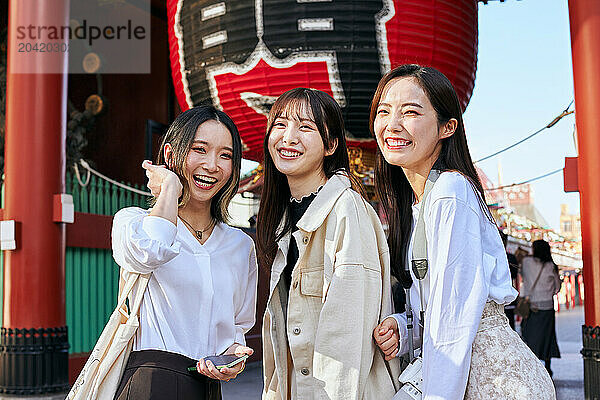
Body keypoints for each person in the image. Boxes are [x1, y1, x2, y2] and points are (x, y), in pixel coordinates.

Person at [370, 64, 555, 399]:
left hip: (488, 379)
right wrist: (405, 327)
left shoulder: (450, 191)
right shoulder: (419, 203)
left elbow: (454, 316)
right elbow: (437, 306)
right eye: (384, 111)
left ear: (447, 127)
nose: (392, 124)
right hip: (461, 371)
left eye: (410, 111)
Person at [257, 88, 400, 399]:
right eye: (280, 125)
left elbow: (346, 337)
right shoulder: (283, 218)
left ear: (331, 145)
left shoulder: (347, 208)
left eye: (305, 127)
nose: (288, 137)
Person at [111, 106, 258, 400]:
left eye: (225, 155)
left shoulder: (240, 245)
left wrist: (233, 357)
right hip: (151, 383)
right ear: (170, 154)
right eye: (199, 150)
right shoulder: (134, 223)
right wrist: (170, 188)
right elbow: (151, 252)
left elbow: (238, 326)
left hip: (206, 387)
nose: (212, 165)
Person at [520, 239, 562, 377]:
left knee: (531, 336)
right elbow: (557, 288)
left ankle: (532, 365)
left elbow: (521, 260)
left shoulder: (526, 262)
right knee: (547, 337)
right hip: (547, 308)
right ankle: (548, 367)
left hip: (532, 306)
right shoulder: (551, 266)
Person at [500, 231, 519, 330]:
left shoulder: (510, 257)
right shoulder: (510, 257)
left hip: (505, 296)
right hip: (504, 295)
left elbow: (514, 275)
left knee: (509, 325)